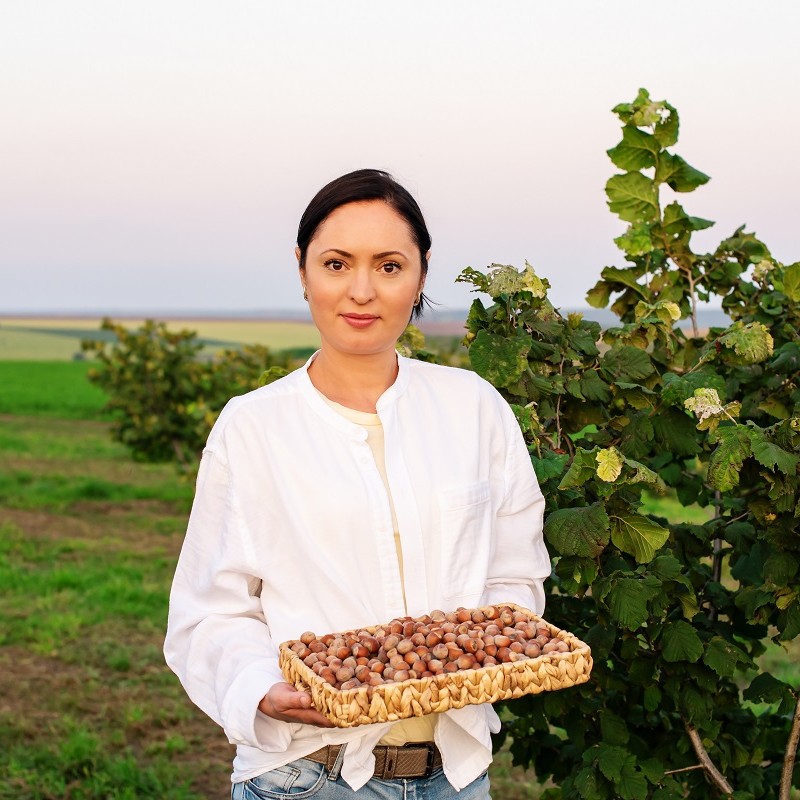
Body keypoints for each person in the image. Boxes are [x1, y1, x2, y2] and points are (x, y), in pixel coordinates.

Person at [164, 169, 551, 798]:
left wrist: (480, 656)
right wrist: (263, 689)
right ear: (302, 270)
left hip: (452, 774)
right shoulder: (253, 426)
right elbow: (212, 608)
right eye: (337, 263)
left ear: (421, 274)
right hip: (307, 775)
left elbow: (515, 574)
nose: (362, 291)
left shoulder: (473, 408)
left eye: (390, 266)